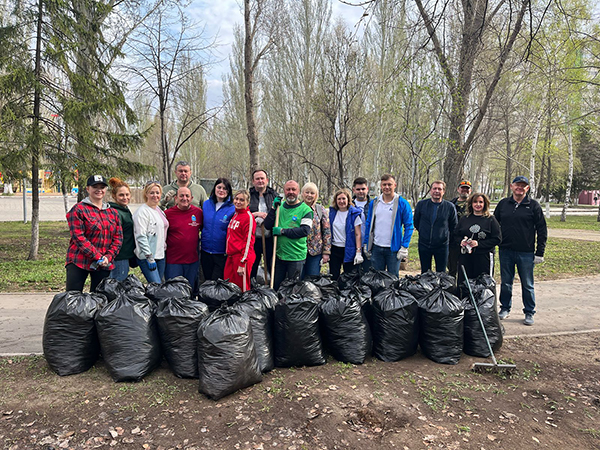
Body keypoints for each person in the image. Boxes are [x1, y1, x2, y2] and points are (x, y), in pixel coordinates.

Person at [494, 176, 547, 326]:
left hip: (526, 252)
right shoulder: (504, 204)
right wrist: (493, 243)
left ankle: (529, 312)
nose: (520, 188)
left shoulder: (533, 206)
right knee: (506, 283)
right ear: (511, 186)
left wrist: (539, 252)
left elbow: (542, 229)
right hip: (505, 251)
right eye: (517, 185)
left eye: (523, 186)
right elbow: (494, 224)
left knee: (527, 284)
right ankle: (505, 308)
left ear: (527, 188)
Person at [65, 175, 123, 292]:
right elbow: (78, 237)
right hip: (79, 261)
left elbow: (118, 238)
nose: (99, 190)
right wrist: (98, 256)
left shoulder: (112, 212)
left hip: (104, 263)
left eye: (102, 187)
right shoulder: (78, 210)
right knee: (73, 298)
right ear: (87, 189)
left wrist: (108, 257)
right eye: (95, 187)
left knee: (100, 298)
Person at [264, 180, 313, 290]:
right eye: (288, 189)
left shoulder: (305, 209)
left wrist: (282, 231)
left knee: (293, 289)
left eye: (293, 189)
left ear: (298, 191)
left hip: (296, 257)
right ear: (284, 191)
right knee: (276, 286)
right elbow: (267, 225)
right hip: (279, 255)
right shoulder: (279, 207)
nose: (291, 192)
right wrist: (272, 209)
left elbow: (304, 231)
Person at [362, 174, 414, 276]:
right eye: (384, 185)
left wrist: (404, 246)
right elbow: (369, 224)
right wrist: (366, 243)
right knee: (377, 279)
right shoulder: (375, 203)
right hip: (376, 247)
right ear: (381, 186)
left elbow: (409, 226)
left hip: (393, 249)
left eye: (389, 184)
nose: (386, 187)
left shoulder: (402, 203)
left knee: (393, 278)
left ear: (395, 185)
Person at [453, 193, 501, 285]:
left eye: (481, 202)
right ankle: (464, 299)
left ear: (485, 204)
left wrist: (478, 244)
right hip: (465, 257)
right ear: (471, 204)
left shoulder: (491, 220)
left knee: (483, 284)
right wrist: (461, 242)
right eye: (475, 202)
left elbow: (497, 239)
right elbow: (456, 235)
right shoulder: (465, 219)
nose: (478, 204)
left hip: (483, 257)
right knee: (463, 282)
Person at [413, 180, 458, 273]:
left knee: (441, 273)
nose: (437, 191)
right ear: (430, 191)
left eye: (439, 189)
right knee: (425, 273)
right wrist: (423, 232)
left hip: (442, 245)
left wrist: (444, 236)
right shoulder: (421, 205)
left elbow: (453, 226)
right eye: (434, 188)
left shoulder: (450, 207)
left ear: (443, 191)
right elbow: (416, 222)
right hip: (424, 244)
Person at [164, 187, 203, 290]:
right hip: (173, 262)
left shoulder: (198, 213)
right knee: (174, 292)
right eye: (181, 196)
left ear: (191, 198)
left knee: (189, 291)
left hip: (192, 261)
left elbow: (205, 230)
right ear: (176, 198)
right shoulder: (168, 214)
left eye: (187, 196)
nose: (184, 198)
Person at [133, 181, 169, 283]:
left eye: (157, 193)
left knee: (158, 288)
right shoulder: (142, 212)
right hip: (147, 256)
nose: (155, 195)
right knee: (155, 284)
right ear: (146, 194)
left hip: (160, 255)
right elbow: (140, 236)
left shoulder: (158, 210)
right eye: (152, 193)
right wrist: (149, 256)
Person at [200, 178, 235, 281]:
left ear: (228, 191)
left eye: (225, 188)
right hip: (206, 250)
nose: (221, 190)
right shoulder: (206, 204)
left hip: (221, 252)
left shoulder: (232, 207)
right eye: (219, 187)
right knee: (207, 280)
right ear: (214, 188)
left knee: (217, 282)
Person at [249, 169, 279, 281]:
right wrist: (255, 214)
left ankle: (271, 290)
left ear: (267, 180)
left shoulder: (274, 196)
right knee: (252, 265)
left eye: (262, 178)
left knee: (271, 265)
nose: (260, 181)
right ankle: (251, 290)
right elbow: (242, 214)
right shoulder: (248, 196)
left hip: (269, 237)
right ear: (253, 181)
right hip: (253, 239)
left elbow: (279, 213)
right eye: (257, 179)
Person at [225, 190, 257, 291]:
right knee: (229, 286)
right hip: (231, 256)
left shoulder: (248, 217)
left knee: (242, 289)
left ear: (248, 202)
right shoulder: (235, 215)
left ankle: (243, 306)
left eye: (242, 200)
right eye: (236, 199)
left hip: (242, 258)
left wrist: (243, 263)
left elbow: (248, 242)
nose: (238, 202)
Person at [328, 189, 363, 280]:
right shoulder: (332, 213)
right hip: (335, 249)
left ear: (348, 200)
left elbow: (357, 234)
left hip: (349, 249)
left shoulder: (354, 214)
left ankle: (347, 293)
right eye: (339, 199)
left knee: (349, 276)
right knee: (334, 275)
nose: (341, 201)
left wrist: (358, 252)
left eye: (344, 198)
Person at [301, 182, 331, 278]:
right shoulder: (297, 208)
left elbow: (326, 231)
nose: (309, 195)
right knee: (298, 280)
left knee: (313, 279)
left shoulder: (320, 209)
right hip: (299, 251)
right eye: (307, 192)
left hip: (315, 251)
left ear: (316, 195)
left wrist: (326, 252)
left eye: (312, 193)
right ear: (302, 193)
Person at [107, 177, 135, 281]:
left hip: (125, 255)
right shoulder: (116, 212)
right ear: (114, 196)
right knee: (117, 284)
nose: (125, 197)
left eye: (127, 194)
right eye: (121, 195)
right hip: (119, 257)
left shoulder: (125, 210)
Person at [448, 180, 472, 278]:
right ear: (458, 189)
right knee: (452, 268)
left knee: (467, 268)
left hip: (468, 240)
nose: (464, 190)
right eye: (463, 188)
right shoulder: (451, 204)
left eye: (467, 189)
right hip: (453, 240)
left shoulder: (473, 204)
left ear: (470, 191)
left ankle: (465, 290)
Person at [352, 177, 372, 271]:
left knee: (369, 274)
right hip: (353, 245)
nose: (361, 191)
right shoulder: (349, 205)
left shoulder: (374, 204)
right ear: (354, 190)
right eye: (358, 189)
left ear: (367, 189)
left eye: (363, 189)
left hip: (369, 245)